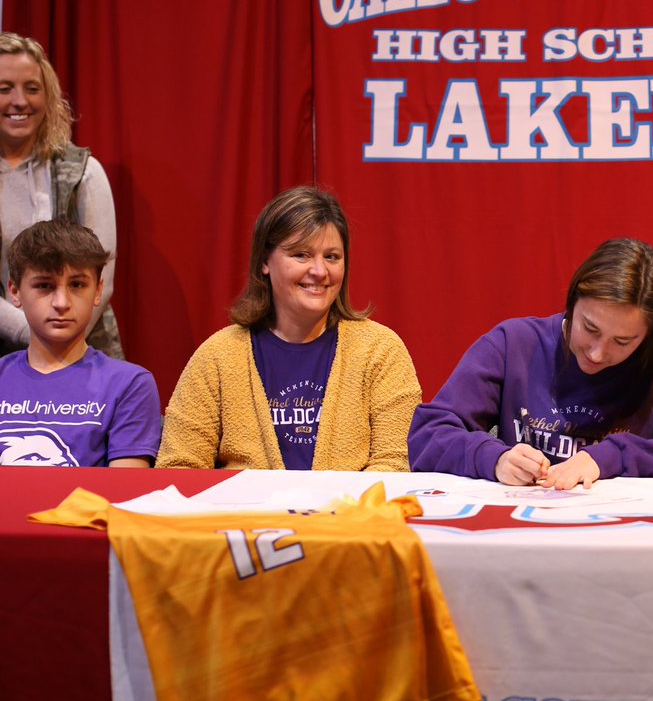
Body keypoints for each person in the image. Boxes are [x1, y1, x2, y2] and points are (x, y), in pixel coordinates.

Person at [157, 185, 420, 471]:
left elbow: (395, 463)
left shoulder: (381, 351)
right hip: (246, 516)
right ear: (264, 263)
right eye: (301, 255)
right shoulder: (217, 357)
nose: (320, 271)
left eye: (332, 256)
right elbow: (178, 466)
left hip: (347, 514)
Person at [409, 238, 653, 490]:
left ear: (649, 336)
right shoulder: (513, 344)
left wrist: (609, 457)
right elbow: (427, 434)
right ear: (572, 303)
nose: (598, 353)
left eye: (622, 342)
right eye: (590, 328)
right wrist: (494, 458)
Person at [0, 32, 123, 359]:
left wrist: (59, 338)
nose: (19, 101)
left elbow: (103, 270)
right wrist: (31, 334)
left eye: (31, 88)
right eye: (4, 88)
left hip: (81, 349)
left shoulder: (83, 171)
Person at [0, 219, 160, 466]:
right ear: (15, 291)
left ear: (97, 291)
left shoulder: (128, 385)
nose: (62, 303)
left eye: (77, 285)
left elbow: (127, 492)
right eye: (44, 286)